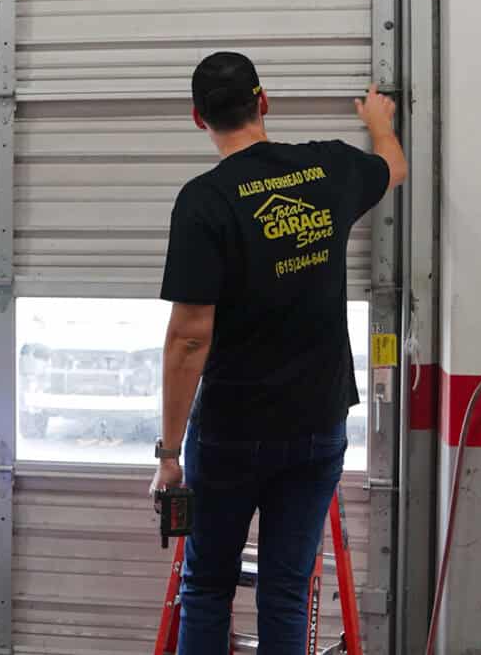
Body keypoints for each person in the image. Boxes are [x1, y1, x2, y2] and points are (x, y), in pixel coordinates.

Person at [150, 51, 407, 653]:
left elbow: (189, 337)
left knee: (206, 587)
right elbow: (393, 167)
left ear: (198, 118)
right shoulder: (328, 168)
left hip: (232, 433)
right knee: (286, 592)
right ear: (264, 102)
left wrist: (169, 455)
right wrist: (379, 123)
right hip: (316, 425)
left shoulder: (204, 202)